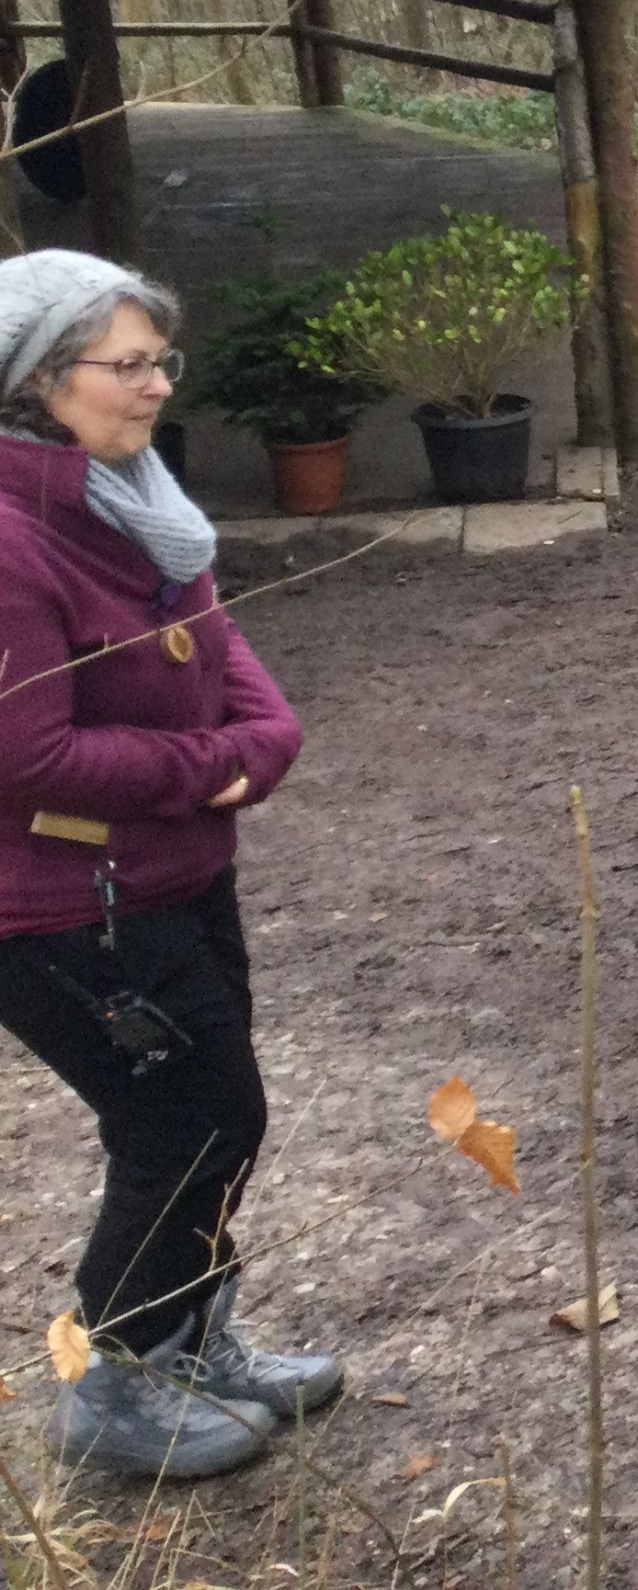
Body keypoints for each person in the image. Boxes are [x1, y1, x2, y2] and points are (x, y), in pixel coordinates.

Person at [0, 250, 339, 1481]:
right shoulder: (8, 540)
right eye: (126, 367)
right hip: (60, 907)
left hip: (176, 877)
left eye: (159, 363)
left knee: (215, 1116)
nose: (153, 389)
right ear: (40, 384)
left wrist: (267, 733)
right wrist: (207, 765)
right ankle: (111, 1379)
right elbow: (27, 749)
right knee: (186, 1124)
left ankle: (192, 1338)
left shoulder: (131, 501)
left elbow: (215, 636)